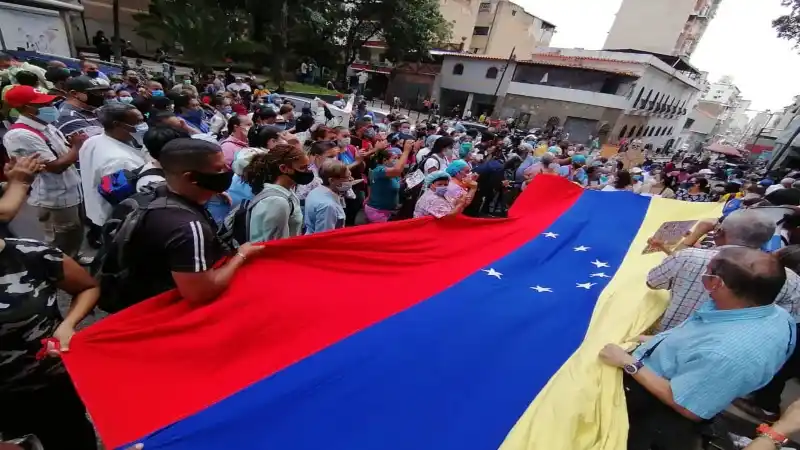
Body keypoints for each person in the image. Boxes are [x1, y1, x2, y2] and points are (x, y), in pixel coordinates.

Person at [600, 247, 795, 450]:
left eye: (707, 273)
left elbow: (688, 406)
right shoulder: (777, 315)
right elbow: (698, 343)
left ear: (717, 283)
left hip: (653, 401)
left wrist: (629, 363)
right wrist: (655, 341)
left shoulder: (725, 353)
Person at [0, 237, 101, 450]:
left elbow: (87, 288)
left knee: (71, 440)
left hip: (49, 382)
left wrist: (68, 325)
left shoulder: (32, 253)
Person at [647, 208, 800, 333]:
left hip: (667, 340)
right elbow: (787, 322)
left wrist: (695, 234)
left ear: (719, 232)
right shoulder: (790, 279)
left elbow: (653, 282)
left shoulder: (689, 257)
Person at [2, 86, 85, 258]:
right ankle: (60, 274)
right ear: (25, 108)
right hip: (54, 197)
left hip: (71, 189)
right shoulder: (20, 135)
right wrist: (77, 148)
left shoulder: (46, 126)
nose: (50, 106)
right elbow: (55, 167)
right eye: (42, 105)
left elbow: (62, 152)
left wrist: (70, 147)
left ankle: (74, 258)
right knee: (60, 239)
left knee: (74, 232)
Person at [80, 103, 154, 230]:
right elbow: (129, 199)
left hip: (95, 207)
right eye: (138, 122)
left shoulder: (93, 140)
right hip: (118, 219)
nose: (143, 125)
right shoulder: (119, 161)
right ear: (117, 124)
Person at [240, 144, 309, 242]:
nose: (308, 171)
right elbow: (274, 246)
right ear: (284, 168)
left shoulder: (288, 192)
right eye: (303, 168)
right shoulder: (277, 202)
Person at [365, 140, 415, 223]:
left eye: (399, 158)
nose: (398, 161)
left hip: (388, 211)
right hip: (378, 212)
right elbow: (397, 170)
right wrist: (406, 151)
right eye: (395, 158)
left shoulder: (391, 173)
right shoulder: (379, 170)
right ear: (385, 160)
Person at [304, 159, 351, 234]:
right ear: (332, 180)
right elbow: (324, 237)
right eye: (347, 178)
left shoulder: (315, 191)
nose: (350, 180)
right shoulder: (328, 206)